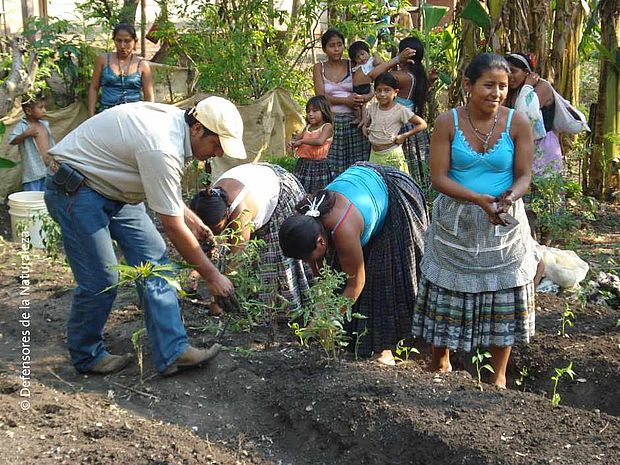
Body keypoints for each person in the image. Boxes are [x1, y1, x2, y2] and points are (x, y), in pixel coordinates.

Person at [44, 96, 246, 376]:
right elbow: (172, 227)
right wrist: (212, 276)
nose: (219, 152)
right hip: (78, 190)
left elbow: (164, 189)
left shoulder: (178, 131)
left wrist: (193, 220)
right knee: (101, 278)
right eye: (217, 144)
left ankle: (173, 351)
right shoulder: (162, 145)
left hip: (116, 191)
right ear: (198, 129)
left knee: (155, 263)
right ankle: (87, 354)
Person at [411, 53, 539, 389]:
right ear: (469, 85)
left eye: (503, 86)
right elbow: (438, 178)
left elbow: (525, 175)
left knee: (504, 292)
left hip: (503, 221)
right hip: (457, 221)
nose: (496, 93)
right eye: (488, 85)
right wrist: (476, 200)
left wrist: (510, 196)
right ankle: (440, 364)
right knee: (448, 290)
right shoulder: (447, 122)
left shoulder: (517, 123)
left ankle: (497, 378)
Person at [279, 162, 428, 365]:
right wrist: (320, 312)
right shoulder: (307, 219)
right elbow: (322, 277)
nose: (308, 263)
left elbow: (355, 283)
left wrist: (327, 319)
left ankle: (385, 350)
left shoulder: (343, 230)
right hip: (364, 187)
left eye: (308, 258)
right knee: (340, 271)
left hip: (396, 196)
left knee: (384, 277)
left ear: (321, 241)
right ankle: (354, 340)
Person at [189, 163, 312, 313]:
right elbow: (200, 244)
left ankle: (280, 312)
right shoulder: (209, 202)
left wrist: (217, 301)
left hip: (281, 191)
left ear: (227, 214)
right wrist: (195, 272)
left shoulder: (240, 211)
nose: (214, 234)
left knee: (274, 259)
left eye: (216, 229)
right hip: (258, 182)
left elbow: (237, 260)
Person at [313, 29, 415, 176]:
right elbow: (320, 96)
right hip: (330, 122)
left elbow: (374, 81)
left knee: (358, 164)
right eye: (331, 45)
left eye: (339, 45)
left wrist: (368, 97)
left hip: (355, 121)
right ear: (324, 49)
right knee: (331, 164)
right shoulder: (319, 67)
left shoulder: (353, 65)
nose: (336, 49)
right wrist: (345, 100)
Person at [505, 53, 560, 177]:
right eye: (506, 72)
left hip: (543, 145)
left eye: (513, 71)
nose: (509, 77)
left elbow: (524, 115)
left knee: (543, 188)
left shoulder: (542, 87)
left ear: (526, 72)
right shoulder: (512, 92)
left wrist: (528, 86)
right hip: (521, 145)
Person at [362, 72, 427, 174]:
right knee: (378, 184)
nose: (382, 94)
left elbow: (422, 124)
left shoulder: (400, 110)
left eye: (387, 90)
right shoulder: (373, 107)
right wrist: (365, 127)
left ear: (395, 92)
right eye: (379, 90)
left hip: (391, 154)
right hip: (374, 155)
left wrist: (404, 136)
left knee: (395, 184)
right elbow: (368, 120)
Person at [391, 37, 434, 190]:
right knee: (416, 164)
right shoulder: (418, 75)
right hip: (414, 123)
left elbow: (373, 76)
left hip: (401, 126)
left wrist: (396, 59)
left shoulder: (400, 76)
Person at [88, 22, 154, 117]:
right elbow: (93, 88)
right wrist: (91, 116)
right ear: (114, 40)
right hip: (107, 114)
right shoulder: (103, 60)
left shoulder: (142, 65)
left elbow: (149, 95)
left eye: (127, 41)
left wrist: (149, 118)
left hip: (134, 115)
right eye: (119, 41)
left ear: (135, 41)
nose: (122, 46)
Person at [8, 94, 55, 191]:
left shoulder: (44, 124)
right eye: (41, 108)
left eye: (44, 107)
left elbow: (51, 143)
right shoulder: (23, 126)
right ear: (29, 111)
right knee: (31, 200)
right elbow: (11, 140)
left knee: (46, 199)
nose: (44, 110)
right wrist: (25, 134)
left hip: (48, 170)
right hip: (33, 173)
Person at [290, 95, 334, 193]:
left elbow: (320, 141)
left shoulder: (327, 127)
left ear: (324, 111)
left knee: (317, 193)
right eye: (308, 111)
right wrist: (293, 143)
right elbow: (297, 139)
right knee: (301, 190)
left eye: (314, 111)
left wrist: (302, 142)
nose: (310, 114)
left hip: (319, 166)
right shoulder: (307, 127)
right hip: (303, 164)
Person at [348, 40, 384, 125]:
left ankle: (364, 119)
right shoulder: (358, 66)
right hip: (357, 88)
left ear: (368, 52)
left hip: (365, 86)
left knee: (364, 104)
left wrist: (375, 53)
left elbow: (379, 63)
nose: (361, 58)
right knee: (356, 105)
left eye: (362, 54)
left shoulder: (371, 61)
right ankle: (359, 118)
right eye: (357, 57)